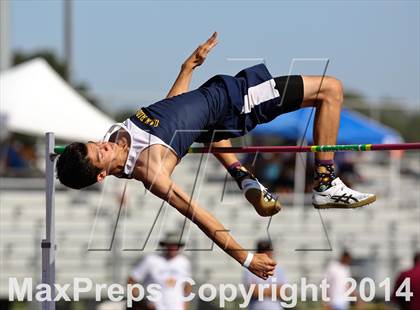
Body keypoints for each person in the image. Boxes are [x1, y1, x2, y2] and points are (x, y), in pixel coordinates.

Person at [56, 32, 375, 279]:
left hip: (210, 107)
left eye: (94, 144)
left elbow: (171, 113)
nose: (103, 144)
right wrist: (246, 258)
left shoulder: (115, 136)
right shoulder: (150, 170)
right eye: (100, 154)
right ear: (102, 175)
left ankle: (242, 176)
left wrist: (187, 68)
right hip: (237, 101)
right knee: (331, 89)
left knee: (201, 131)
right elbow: (198, 214)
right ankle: (326, 182)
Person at [127, 232, 192, 310]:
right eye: (170, 245)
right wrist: (140, 302)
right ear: (165, 245)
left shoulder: (184, 262)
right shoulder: (151, 260)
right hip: (155, 307)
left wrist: (185, 306)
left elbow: (187, 285)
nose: (173, 247)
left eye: (176, 245)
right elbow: (132, 280)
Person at [243, 239, 287, 310]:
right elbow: (253, 291)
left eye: (267, 250)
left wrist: (261, 290)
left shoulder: (278, 268)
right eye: (262, 251)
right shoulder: (250, 268)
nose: (265, 254)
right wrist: (273, 290)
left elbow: (283, 292)